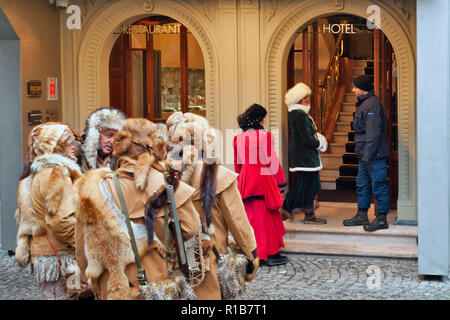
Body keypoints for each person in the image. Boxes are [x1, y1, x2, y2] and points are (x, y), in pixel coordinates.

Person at [75, 118, 205, 300]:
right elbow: (191, 230)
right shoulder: (171, 185)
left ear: (120, 146)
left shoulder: (94, 188)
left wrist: (87, 279)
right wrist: (194, 274)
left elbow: (82, 244)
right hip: (158, 285)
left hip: (113, 287)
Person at [166, 111, 259, 300]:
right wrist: (252, 256)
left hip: (175, 264)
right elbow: (238, 222)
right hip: (211, 261)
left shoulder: (164, 176)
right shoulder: (219, 175)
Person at [15, 122, 82, 300]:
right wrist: (85, 246)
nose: (73, 148)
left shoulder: (35, 174)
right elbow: (61, 221)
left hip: (45, 256)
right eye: (69, 143)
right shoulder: (56, 174)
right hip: (61, 258)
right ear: (58, 146)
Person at [233, 104, 288, 267]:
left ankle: (252, 252)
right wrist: (281, 180)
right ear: (259, 120)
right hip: (263, 178)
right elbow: (272, 161)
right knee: (266, 217)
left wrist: (241, 179)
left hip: (246, 179)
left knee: (251, 217)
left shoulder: (238, 138)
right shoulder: (263, 136)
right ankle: (269, 254)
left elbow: (238, 165)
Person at [343, 75, 390, 232]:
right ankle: (362, 214)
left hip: (373, 155)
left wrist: (367, 154)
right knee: (362, 185)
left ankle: (382, 219)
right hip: (365, 155)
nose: (353, 89)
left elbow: (373, 133)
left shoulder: (372, 105)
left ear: (362, 88)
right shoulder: (364, 103)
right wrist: (364, 155)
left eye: (355, 87)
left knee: (378, 184)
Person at [280, 82, 328, 224]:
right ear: (298, 99)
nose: (307, 99)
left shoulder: (299, 114)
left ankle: (306, 212)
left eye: (307, 96)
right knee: (308, 185)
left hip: (304, 156)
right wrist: (319, 143)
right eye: (305, 97)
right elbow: (306, 138)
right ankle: (292, 208)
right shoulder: (299, 115)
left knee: (308, 185)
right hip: (305, 157)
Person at [80, 107, 126, 173]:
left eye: (117, 138)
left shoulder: (122, 160)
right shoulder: (80, 157)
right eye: (109, 135)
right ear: (96, 135)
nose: (112, 141)